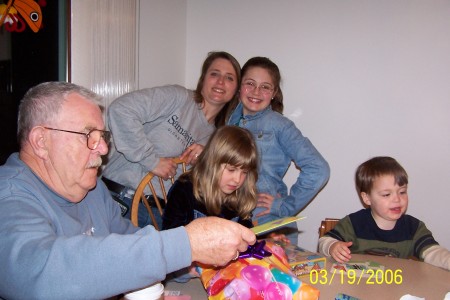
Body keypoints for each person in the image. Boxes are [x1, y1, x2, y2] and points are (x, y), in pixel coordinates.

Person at [0, 82, 256, 299]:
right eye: (88, 134)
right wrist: (184, 245)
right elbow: (36, 274)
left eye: (102, 136)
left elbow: (128, 240)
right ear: (41, 142)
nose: (102, 148)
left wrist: (183, 265)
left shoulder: (92, 190)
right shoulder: (10, 196)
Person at [102, 51, 241, 228]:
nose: (220, 81)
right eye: (214, 74)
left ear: (236, 89)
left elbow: (211, 186)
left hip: (160, 217)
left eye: (229, 78)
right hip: (121, 201)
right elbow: (121, 110)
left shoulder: (215, 138)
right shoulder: (179, 98)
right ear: (203, 79)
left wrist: (208, 157)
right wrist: (151, 161)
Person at [227, 56, 330, 233]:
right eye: (250, 83)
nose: (256, 91)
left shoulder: (279, 125)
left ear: (274, 93)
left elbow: (318, 169)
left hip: (267, 225)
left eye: (265, 87)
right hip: (234, 222)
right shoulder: (229, 122)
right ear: (239, 86)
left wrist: (284, 207)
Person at [318, 156, 450, 271]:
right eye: (387, 194)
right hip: (358, 286)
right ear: (367, 198)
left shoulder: (414, 228)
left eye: (402, 192)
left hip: (395, 288)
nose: (397, 199)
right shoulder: (354, 223)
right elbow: (324, 241)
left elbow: (432, 252)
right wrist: (332, 246)